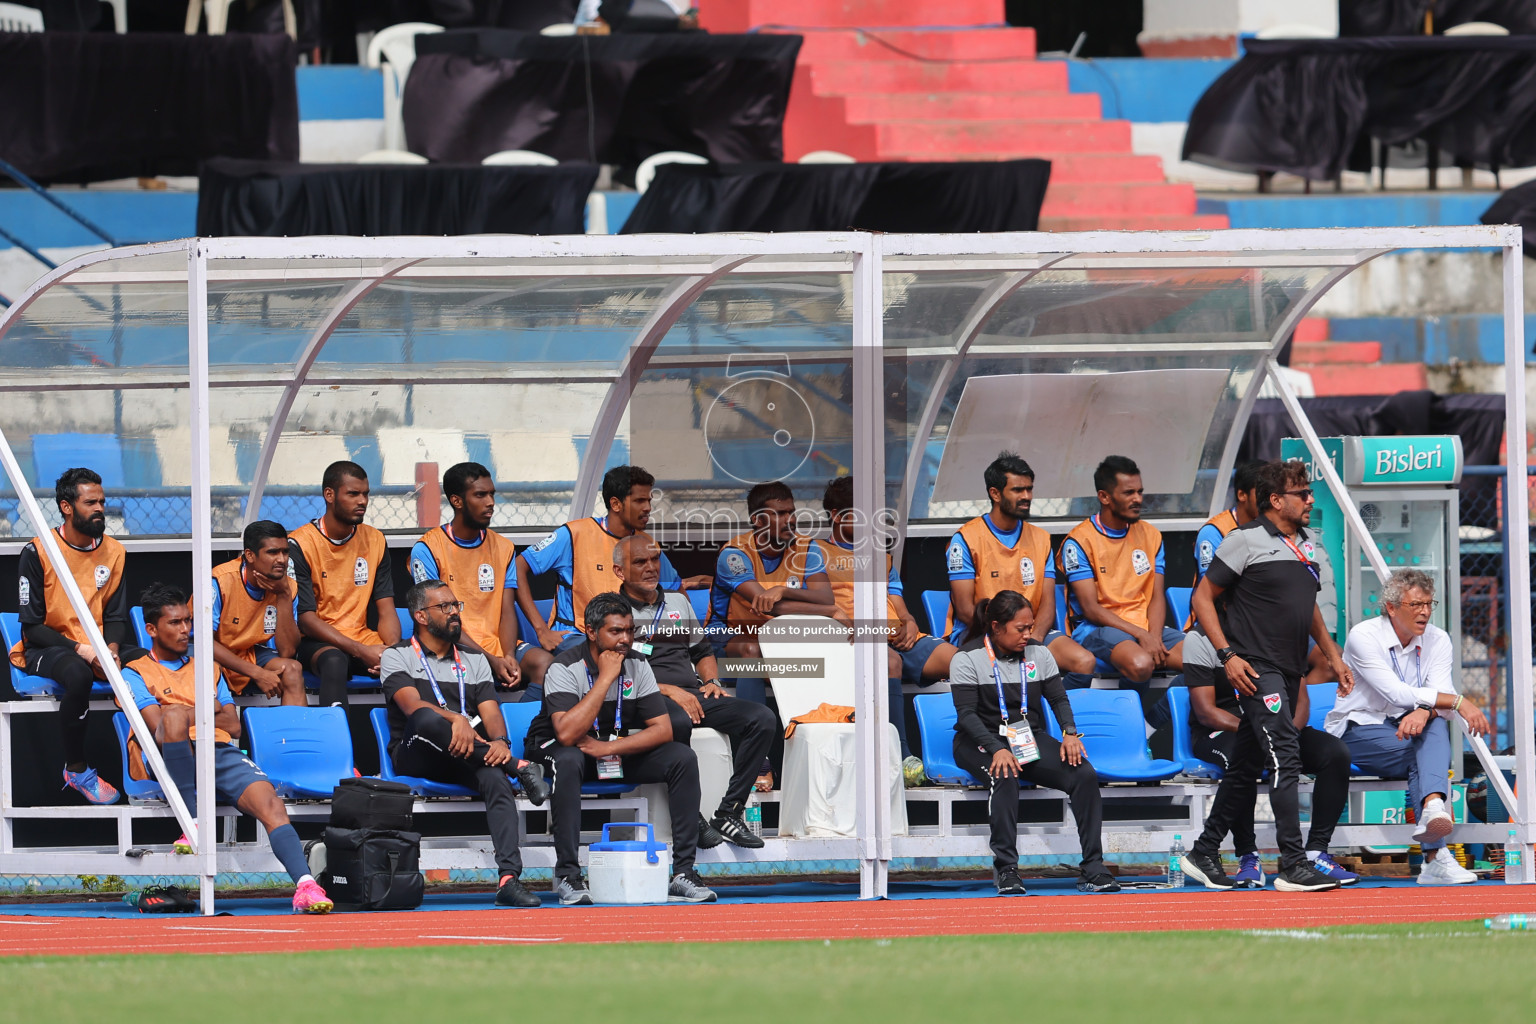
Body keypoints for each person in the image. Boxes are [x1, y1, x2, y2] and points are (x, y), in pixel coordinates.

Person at [1181, 459, 1354, 892]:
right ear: (1276, 500)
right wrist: (1227, 655)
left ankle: (1204, 852)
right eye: (1303, 494)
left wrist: (1332, 653)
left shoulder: (1306, 543)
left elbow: (1307, 606)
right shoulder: (1244, 541)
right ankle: (1293, 864)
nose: (1311, 500)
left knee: (1246, 766)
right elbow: (1202, 597)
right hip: (1259, 669)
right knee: (1284, 758)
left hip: (1291, 668)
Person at [120, 584, 333, 914]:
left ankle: (305, 885)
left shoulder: (209, 667)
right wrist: (207, 710)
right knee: (173, 718)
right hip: (167, 756)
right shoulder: (134, 673)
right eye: (175, 623)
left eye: (188, 621)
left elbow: (233, 725)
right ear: (152, 629)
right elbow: (158, 728)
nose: (185, 630)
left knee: (271, 803)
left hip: (217, 750)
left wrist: (190, 712)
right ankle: (194, 824)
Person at [525, 591, 717, 905]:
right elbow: (567, 732)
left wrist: (608, 749)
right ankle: (569, 875)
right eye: (616, 631)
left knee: (682, 757)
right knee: (570, 759)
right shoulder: (564, 666)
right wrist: (605, 678)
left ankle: (683, 873)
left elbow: (663, 729)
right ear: (591, 631)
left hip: (606, 748)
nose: (625, 639)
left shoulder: (638, 664)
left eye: (629, 631)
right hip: (554, 746)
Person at [381, 579, 552, 908]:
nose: (454, 612)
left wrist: (500, 741)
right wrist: (456, 719)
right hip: (417, 751)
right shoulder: (397, 655)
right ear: (420, 615)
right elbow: (411, 706)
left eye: (456, 605)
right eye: (445, 607)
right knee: (427, 719)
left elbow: (490, 710)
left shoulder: (473, 660)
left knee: (494, 778)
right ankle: (518, 766)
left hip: (466, 755)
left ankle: (508, 879)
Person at [949, 590, 1120, 896]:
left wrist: (1069, 732)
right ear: (997, 627)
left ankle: (1093, 867)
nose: (1028, 634)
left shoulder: (1039, 654)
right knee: (1005, 773)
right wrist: (997, 748)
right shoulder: (966, 657)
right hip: (979, 741)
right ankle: (1007, 869)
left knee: (1083, 773)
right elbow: (966, 715)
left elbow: (1058, 697)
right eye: (1021, 629)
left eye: (1030, 627)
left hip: (1025, 738)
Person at [612, 534, 775, 849]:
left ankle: (729, 812)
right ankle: (692, 816)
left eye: (655, 559)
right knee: (679, 720)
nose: (651, 568)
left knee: (761, 718)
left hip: (692, 693)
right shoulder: (612, 610)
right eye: (639, 562)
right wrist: (670, 690)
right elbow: (614, 673)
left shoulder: (677, 601)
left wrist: (712, 682)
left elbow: (702, 652)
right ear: (620, 572)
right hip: (642, 697)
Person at [1332, 568, 1488, 886]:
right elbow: (1397, 694)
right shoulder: (1364, 636)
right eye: (1416, 604)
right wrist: (1458, 702)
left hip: (1407, 731)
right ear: (1391, 608)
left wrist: (1425, 711)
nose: (1425, 612)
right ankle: (1435, 855)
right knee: (1425, 746)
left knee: (1430, 731)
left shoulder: (1439, 639)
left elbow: (1436, 697)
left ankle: (1432, 812)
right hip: (1358, 728)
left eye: (1429, 603)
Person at [10, 467, 147, 805]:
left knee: (151, 662)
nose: (100, 508)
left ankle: (150, 759)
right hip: (48, 646)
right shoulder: (38, 551)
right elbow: (32, 627)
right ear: (67, 507)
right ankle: (76, 769)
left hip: (99, 645)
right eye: (90, 502)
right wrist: (88, 651)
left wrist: (111, 650)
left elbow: (115, 617)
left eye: (102, 501)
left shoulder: (114, 552)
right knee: (78, 673)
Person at [1180, 627, 1357, 889]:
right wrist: (1267, 734)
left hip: (1276, 725)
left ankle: (1316, 852)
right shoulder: (1200, 640)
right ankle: (1247, 854)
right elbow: (1207, 711)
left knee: (1334, 752)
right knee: (1239, 757)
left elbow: (1301, 703)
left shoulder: (1272, 632)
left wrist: (1282, 736)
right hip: (1222, 729)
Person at [516, 465, 710, 668]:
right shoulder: (575, 534)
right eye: (639, 501)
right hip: (579, 638)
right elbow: (517, 568)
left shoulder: (646, 544)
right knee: (624, 659)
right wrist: (542, 631)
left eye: (649, 501)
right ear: (616, 504)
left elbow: (677, 592)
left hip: (631, 643)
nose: (648, 508)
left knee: (658, 655)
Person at [820, 475, 954, 767]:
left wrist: (909, 621)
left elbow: (896, 598)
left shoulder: (881, 553)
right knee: (889, 661)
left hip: (898, 638)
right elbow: (817, 605)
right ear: (836, 515)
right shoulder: (815, 553)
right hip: (854, 641)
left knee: (963, 662)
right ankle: (901, 755)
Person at [946, 453, 1094, 676]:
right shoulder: (966, 539)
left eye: (1029, 489)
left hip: (1031, 633)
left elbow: (1046, 605)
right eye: (1017, 490)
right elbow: (966, 609)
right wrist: (1007, 636)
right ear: (995, 493)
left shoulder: (1041, 538)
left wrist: (1032, 640)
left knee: (1084, 662)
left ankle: (1052, 710)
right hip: (983, 633)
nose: (1027, 496)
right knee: (1008, 669)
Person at [409, 462, 542, 691]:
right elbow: (438, 620)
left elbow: (506, 610)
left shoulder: (504, 547)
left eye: (491, 494)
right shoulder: (427, 549)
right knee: (479, 675)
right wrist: (490, 660)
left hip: (496, 646)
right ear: (457, 501)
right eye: (480, 495)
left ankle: (525, 725)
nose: (490, 502)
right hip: (450, 644)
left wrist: (508, 654)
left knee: (544, 664)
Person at [1058, 455, 1183, 684]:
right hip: (1097, 628)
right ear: (1104, 497)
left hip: (1144, 626)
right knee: (1141, 663)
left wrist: (1153, 636)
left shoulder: (1151, 535)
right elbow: (1090, 609)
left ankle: (1154, 718)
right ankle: (1132, 717)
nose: (1138, 499)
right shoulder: (1079, 541)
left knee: (1205, 661)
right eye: (1129, 493)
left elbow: (1156, 597)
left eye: (1140, 492)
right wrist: (1141, 635)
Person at [288, 461, 401, 707]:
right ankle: (335, 740)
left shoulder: (375, 539)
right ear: (329, 495)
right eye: (353, 494)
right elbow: (306, 619)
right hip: (316, 641)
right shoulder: (298, 544)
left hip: (361, 638)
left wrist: (392, 650)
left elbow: (386, 609)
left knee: (408, 661)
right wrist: (360, 650)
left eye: (365, 494)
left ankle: (407, 741)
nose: (362, 501)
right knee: (335, 662)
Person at [209, 520, 305, 707]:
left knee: (292, 669)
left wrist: (283, 596)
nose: (282, 559)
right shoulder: (220, 580)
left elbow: (287, 651)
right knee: (208, 673)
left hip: (249, 652)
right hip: (213, 655)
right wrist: (257, 673)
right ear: (250, 555)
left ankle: (293, 735)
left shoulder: (288, 586)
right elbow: (204, 643)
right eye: (272, 552)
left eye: (285, 552)